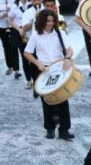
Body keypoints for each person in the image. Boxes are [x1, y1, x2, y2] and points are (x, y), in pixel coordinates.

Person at [23, 8, 75, 139]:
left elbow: (69, 50)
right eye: (48, 21)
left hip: (59, 69)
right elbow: (27, 53)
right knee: (46, 100)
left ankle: (64, 130)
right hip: (44, 70)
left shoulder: (60, 33)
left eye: (52, 21)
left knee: (63, 99)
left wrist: (67, 58)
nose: (50, 23)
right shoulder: (36, 35)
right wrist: (38, 63)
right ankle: (50, 128)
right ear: (42, 21)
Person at [8, 0, 34, 89]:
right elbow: (10, 20)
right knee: (24, 57)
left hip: (30, 32)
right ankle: (28, 80)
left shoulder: (31, 6)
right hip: (19, 32)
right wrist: (19, 29)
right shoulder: (14, 7)